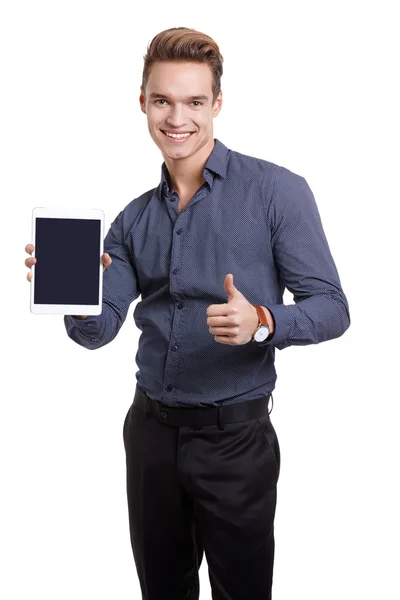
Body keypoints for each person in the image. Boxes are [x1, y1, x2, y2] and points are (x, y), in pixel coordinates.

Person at [25, 26, 350, 600]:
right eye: (163, 100)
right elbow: (98, 333)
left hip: (236, 443)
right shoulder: (131, 221)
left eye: (195, 101)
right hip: (149, 437)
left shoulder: (276, 192)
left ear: (217, 104)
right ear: (144, 103)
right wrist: (72, 292)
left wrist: (265, 322)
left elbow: (332, 307)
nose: (178, 118)